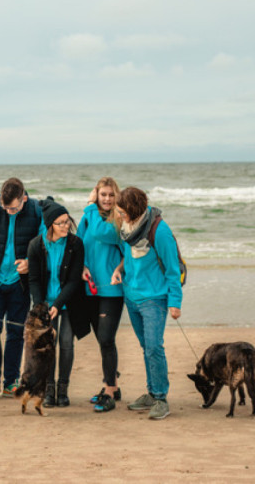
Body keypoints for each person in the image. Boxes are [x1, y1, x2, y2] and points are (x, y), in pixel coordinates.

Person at [111, 187, 183, 420]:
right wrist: (118, 270)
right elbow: (127, 255)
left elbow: (172, 269)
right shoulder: (126, 227)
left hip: (154, 298)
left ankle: (161, 398)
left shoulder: (159, 230)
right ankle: (152, 393)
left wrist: (175, 302)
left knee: (154, 346)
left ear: (133, 210)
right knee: (146, 347)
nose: (120, 215)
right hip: (131, 296)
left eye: (122, 212)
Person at [0, 178, 45, 399]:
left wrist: (31, 263)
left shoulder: (35, 210)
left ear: (24, 198)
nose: (9, 212)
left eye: (13, 208)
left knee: (15, 332)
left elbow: (44, 243)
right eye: (6, 208)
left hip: (19, 285)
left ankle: (11, 381)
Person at [27, 198, 89, 407]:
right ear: (50, 225)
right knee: (48, 346)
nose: (66, 226)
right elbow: (33, 280)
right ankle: (49, 388)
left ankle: (63, 388)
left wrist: (57, 304)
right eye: (60, 223)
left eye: (67, 221)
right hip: (46, 304)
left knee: (66, 344)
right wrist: (42, 307)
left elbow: (73, 281)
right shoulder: (36, 245)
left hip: (69, 302)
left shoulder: (75, 244)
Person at [77, 177, 125, 413]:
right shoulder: (88, 218)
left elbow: (103, 234)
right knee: (102, 341)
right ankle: (112, 385)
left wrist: (89, 205)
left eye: (110, 195)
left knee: (106, 339)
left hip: (112, 289)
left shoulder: (119, 219)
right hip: (90, 287)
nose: (106, 199)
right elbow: (80, 245)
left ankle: (109, 391)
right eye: (102, 194)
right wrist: (83, 267)